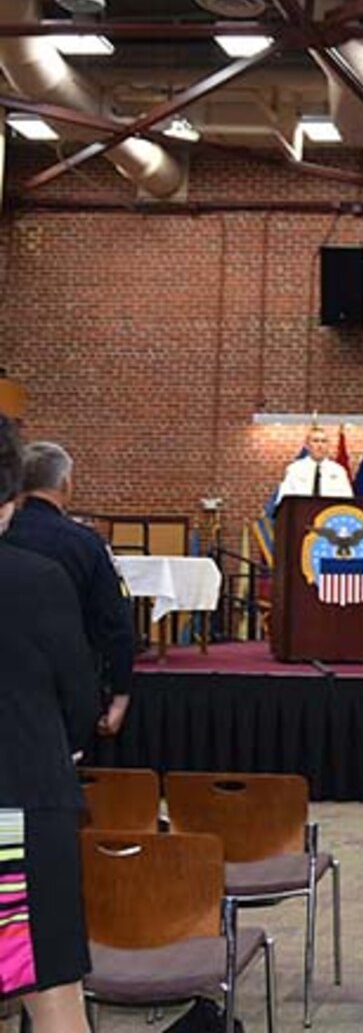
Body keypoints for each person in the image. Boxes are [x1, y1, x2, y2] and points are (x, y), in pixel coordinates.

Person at [0, 418, 99, 1033]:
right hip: (21, 806)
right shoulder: (37, 581)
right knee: (52, 993)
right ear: (7, 505)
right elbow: (80, 700)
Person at [3, 442, 133, 737]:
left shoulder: (6, 533)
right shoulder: (86, 543)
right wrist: (121, 693)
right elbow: (115, 622)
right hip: (63, 689)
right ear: (65, 483)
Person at [276, 426, 353, 501]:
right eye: (315, 441)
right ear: (307, 445)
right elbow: (283, 499)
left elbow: (348, 500)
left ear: (328, 445)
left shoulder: (338, 471)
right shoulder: (295, 469)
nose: (320, 445)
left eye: (324, 441)